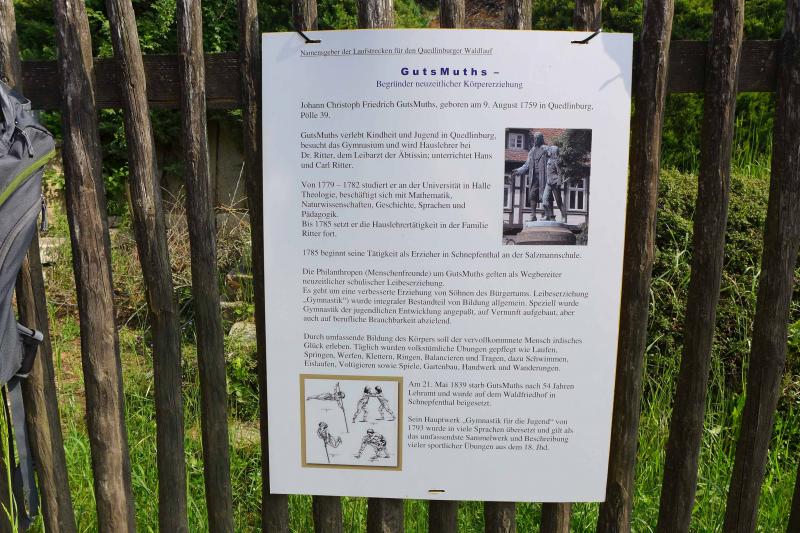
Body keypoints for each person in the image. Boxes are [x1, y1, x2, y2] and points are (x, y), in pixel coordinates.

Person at [512, 131, 548, 221]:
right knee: (532, 195)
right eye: (534, 138)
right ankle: (533, 215)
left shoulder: (546, 149)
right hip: (534, 178)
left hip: (544, 177)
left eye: (537, 138)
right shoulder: (531, 151)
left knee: (546, 195)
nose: (535, 140)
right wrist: (518, 171)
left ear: (540, 139)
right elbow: (527, 165)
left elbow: (553, 158)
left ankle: (548, 215)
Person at [543, 145, 567, 222]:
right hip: (548, 183)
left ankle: (564, 216)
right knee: (544, 201)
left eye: (550, 150)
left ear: (553, 152)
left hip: (555, 183)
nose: (548, 152)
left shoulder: (556, 161)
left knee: (558, 201)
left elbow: (559, 172)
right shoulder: (548, 160)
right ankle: (547, 215)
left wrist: (559, 182)